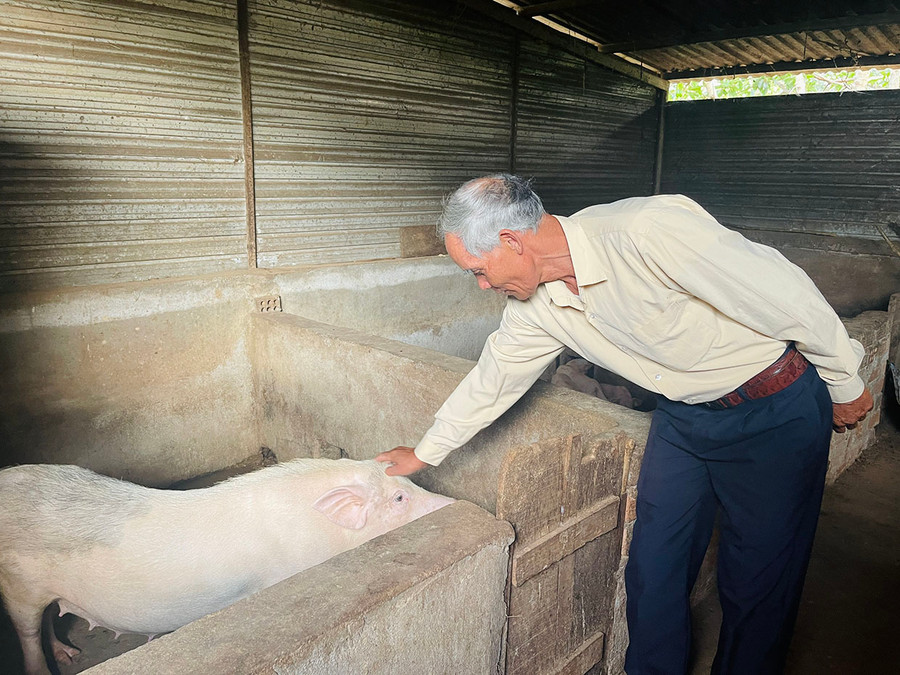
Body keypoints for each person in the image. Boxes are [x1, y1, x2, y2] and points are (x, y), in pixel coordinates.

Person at [375, 174, 873, 674]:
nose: (482, 285)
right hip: (682, 417)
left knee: (758, 579)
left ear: (512, 242)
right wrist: (425, 452)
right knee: (654, 569)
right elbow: (497, 374)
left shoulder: (645, 232)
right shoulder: (535, 305)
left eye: (478, 271)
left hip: (773, 406)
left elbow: (787, 294)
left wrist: (845, 382)